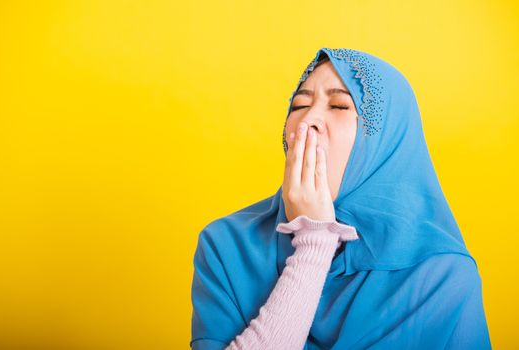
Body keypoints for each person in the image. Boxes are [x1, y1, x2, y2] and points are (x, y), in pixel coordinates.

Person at [190, 47, 492, 349]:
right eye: (299, 106)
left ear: (384, 141)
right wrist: (314, 242)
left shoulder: (442, 276)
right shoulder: (225, 245)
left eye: (339, 106)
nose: (309, 121)